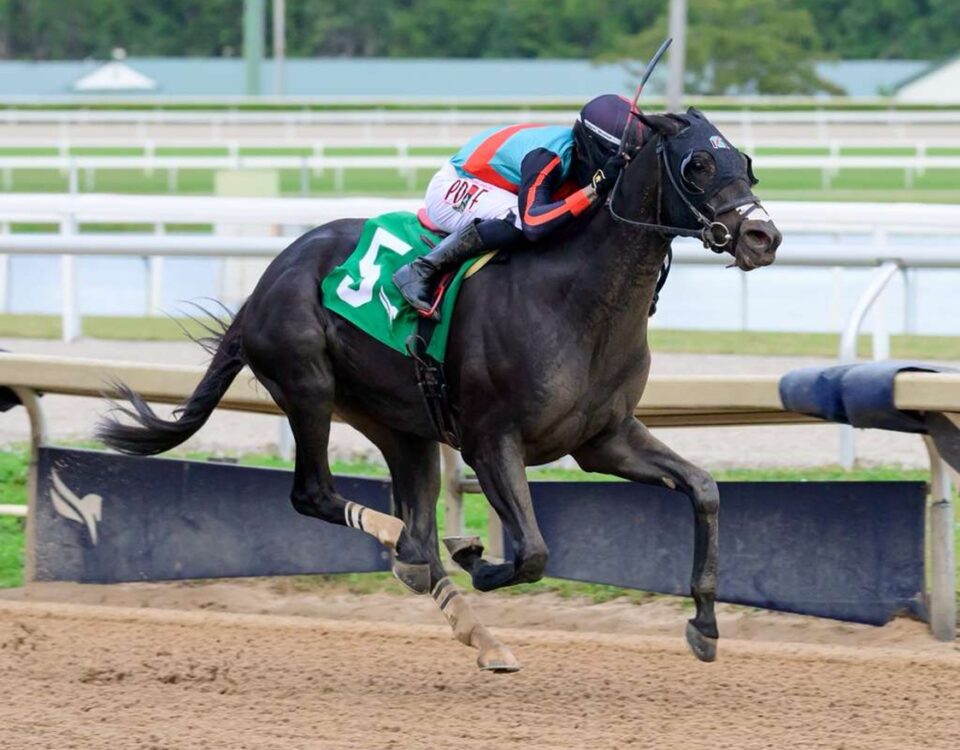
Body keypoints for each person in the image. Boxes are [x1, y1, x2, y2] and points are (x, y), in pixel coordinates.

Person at [392, 93, 646, 318]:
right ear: (595, 147)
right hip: (456, 183)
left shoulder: (581, 157)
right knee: (519, 220)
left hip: (501, 189)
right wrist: (594, 189)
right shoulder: (546, 156)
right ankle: (421, 269)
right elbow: (534, 224)